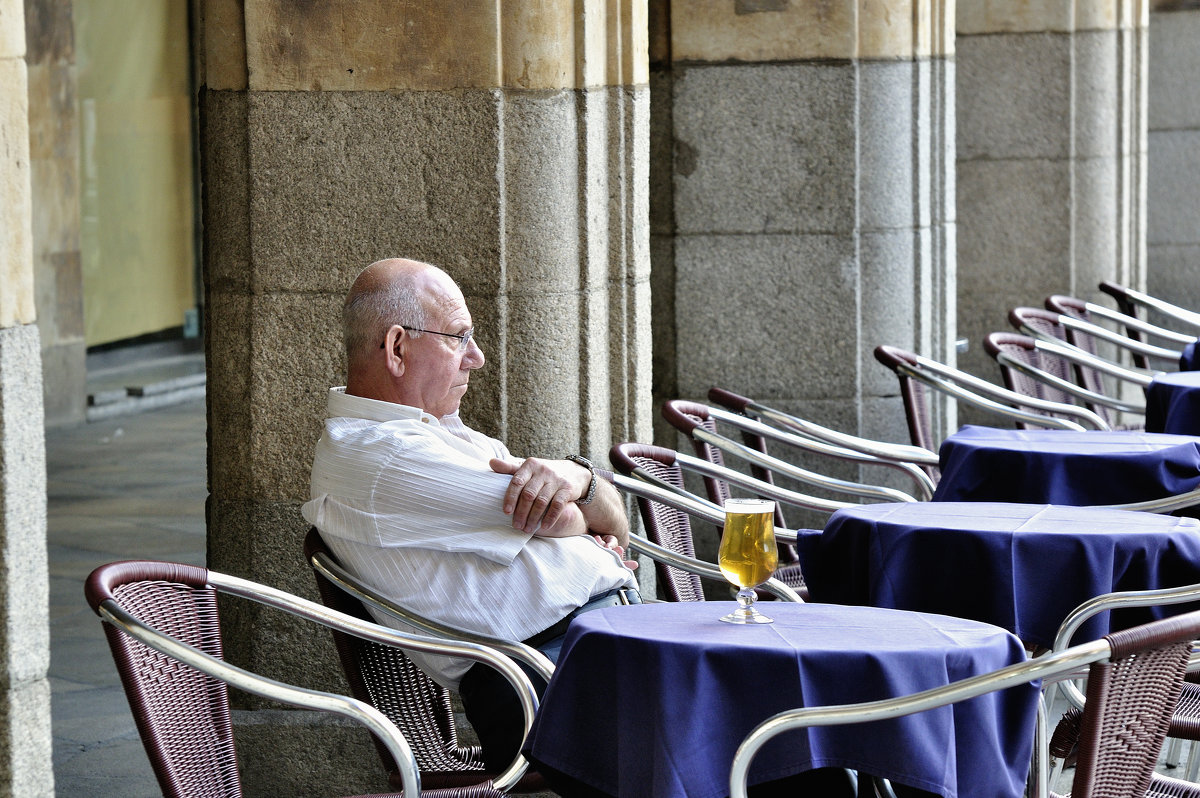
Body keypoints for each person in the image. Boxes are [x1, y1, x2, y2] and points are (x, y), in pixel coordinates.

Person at [301, 257, 640, 771]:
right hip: (545, 682)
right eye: (459, 337)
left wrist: (580, 481)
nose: (476, 358)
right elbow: (571, 517)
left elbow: (580, 512)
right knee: (759, 731)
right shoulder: (380, 454)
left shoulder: (435, 430)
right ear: (397, 348)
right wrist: (584, 505)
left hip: (586, 652)